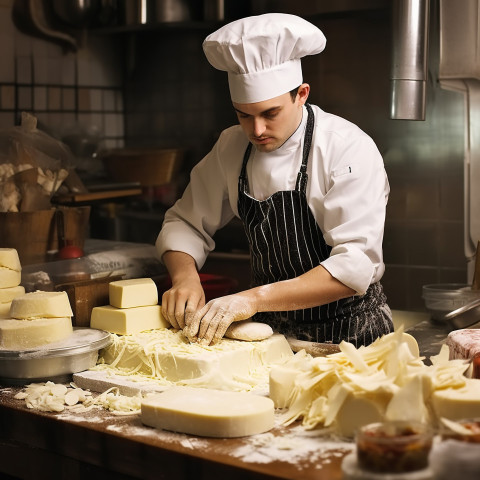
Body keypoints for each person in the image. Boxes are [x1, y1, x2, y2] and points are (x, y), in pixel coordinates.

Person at [156, 13, 393, 347]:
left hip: (351, 335)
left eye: (270, 113)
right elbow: (185, 222)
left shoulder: (345, 147)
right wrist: (184, 276)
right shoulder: (231, 146)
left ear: (302, 94)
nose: (257, 130)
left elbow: (355, 264)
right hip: (273, 337)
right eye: (243, 115)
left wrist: (251, 299)